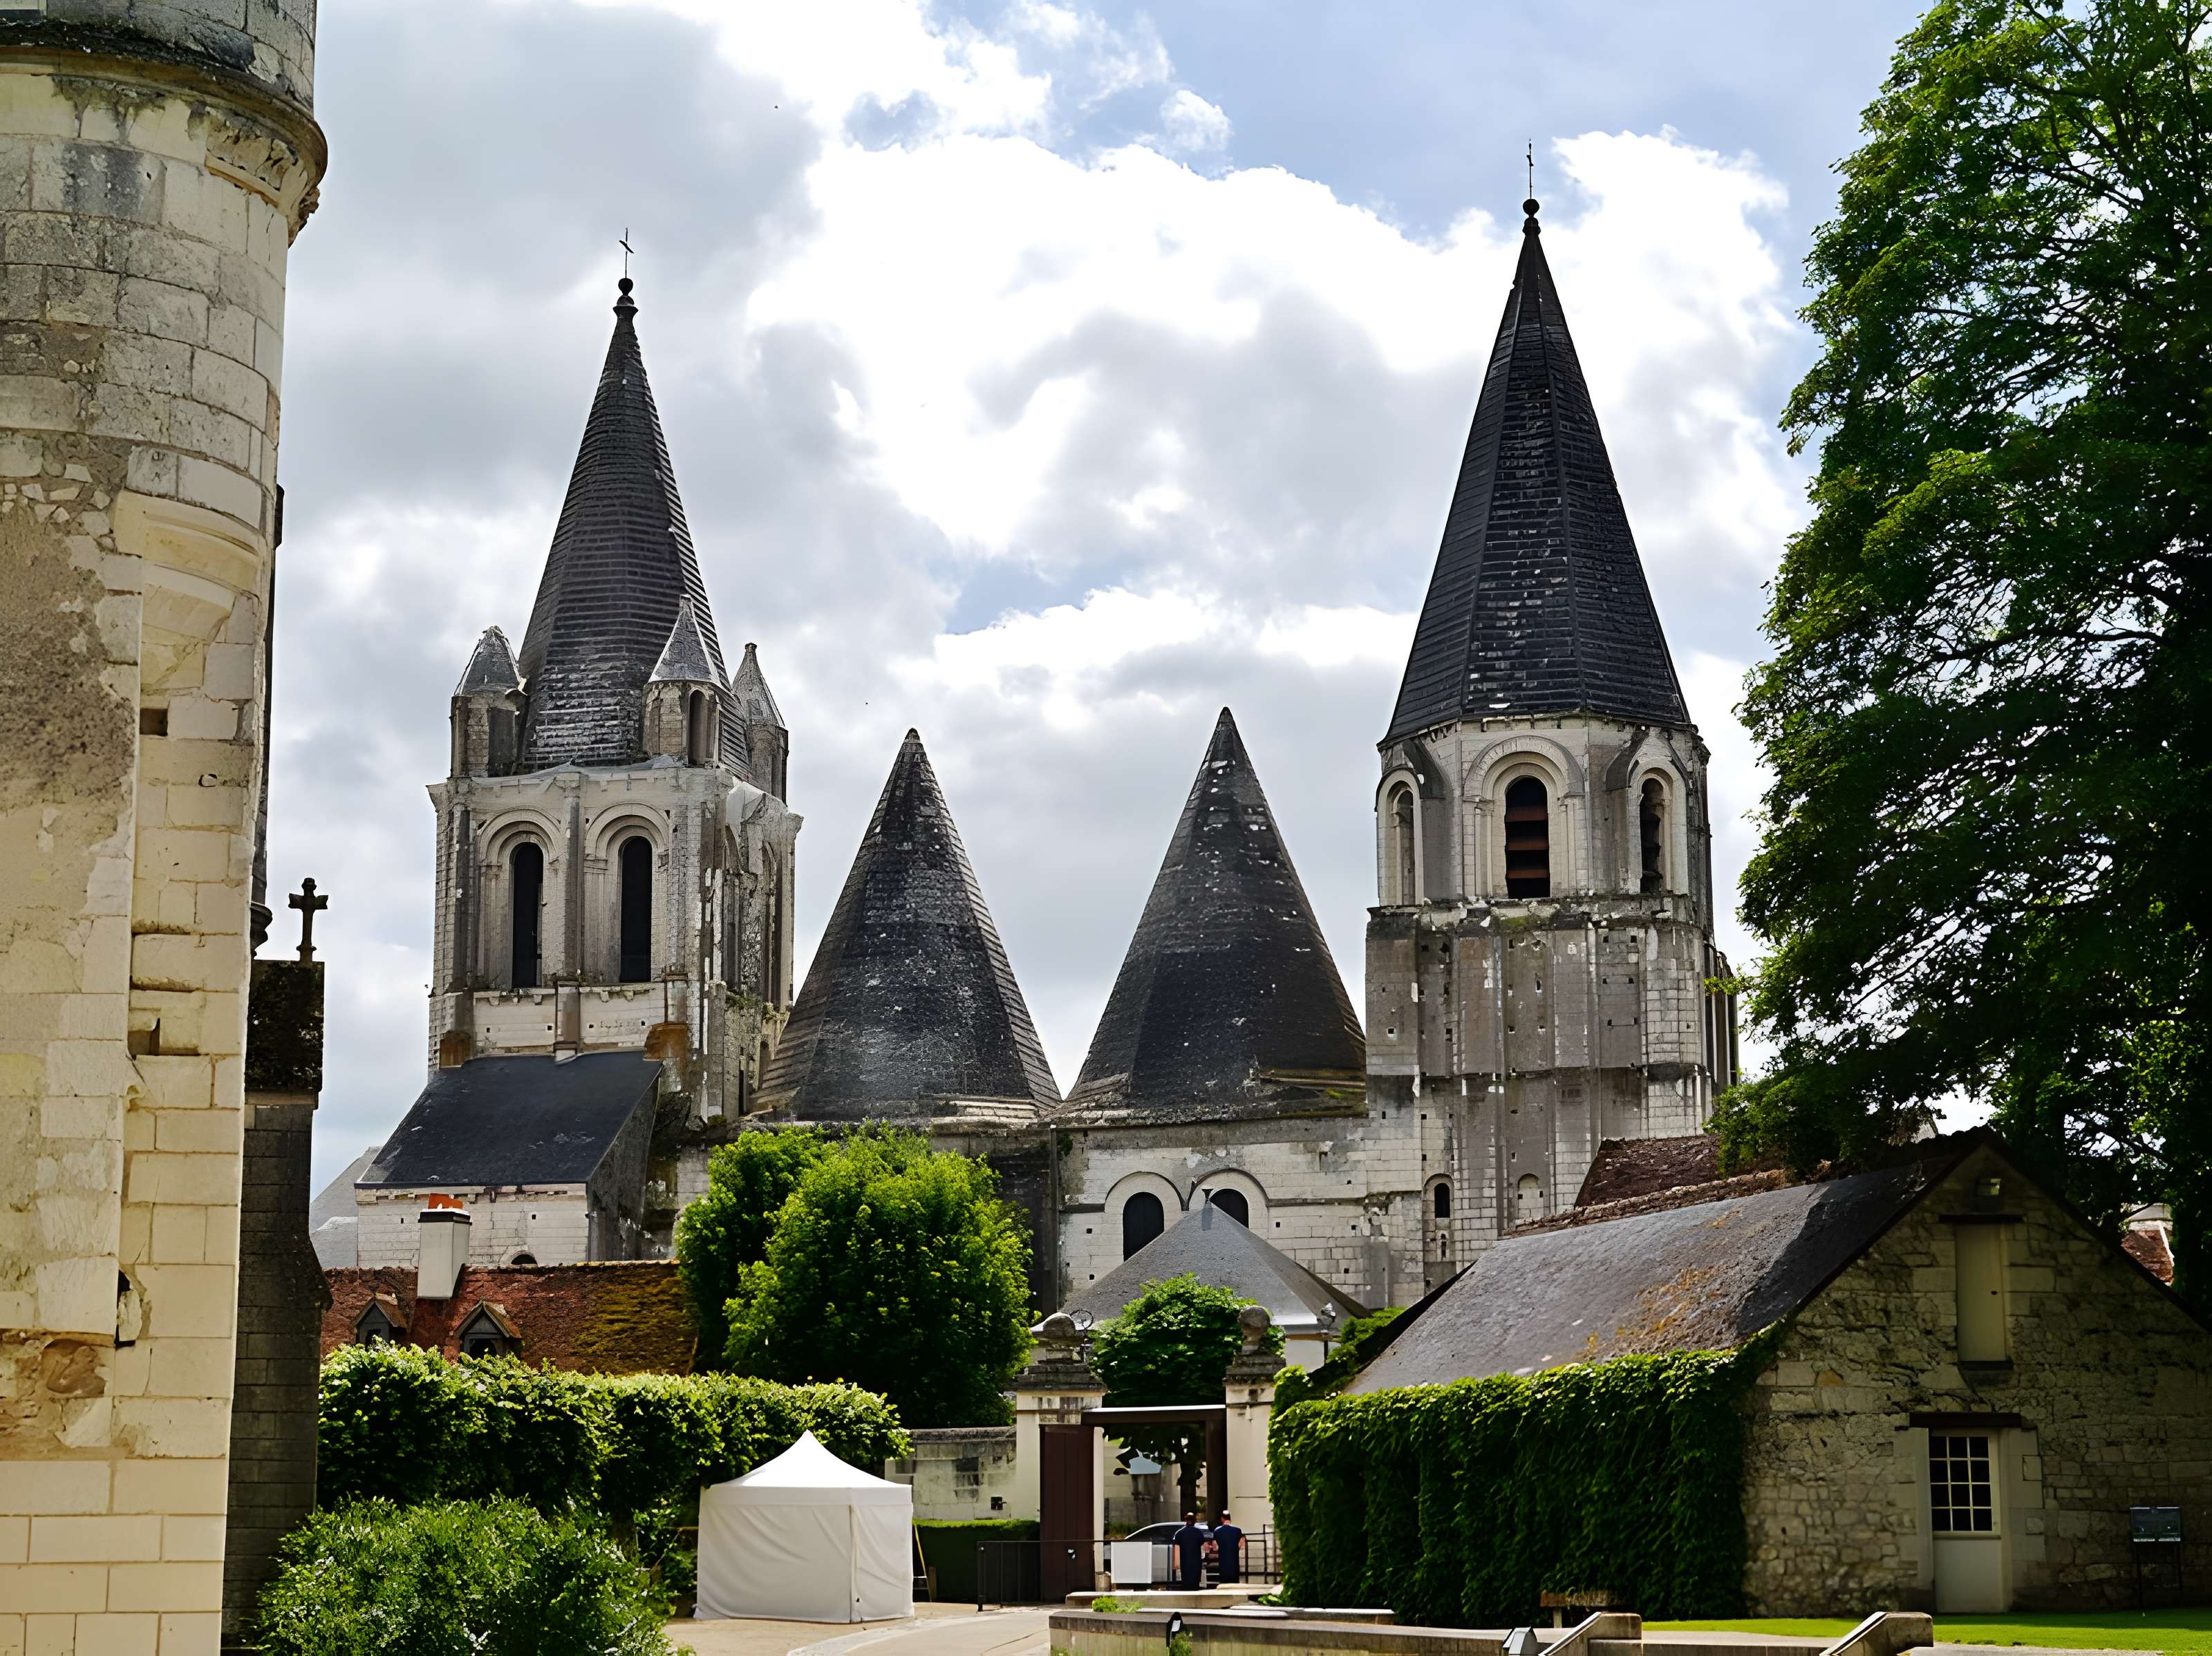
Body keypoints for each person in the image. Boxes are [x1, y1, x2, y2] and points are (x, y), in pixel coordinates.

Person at [1171, 1510, 1210, 1589]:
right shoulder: (1198, 1532)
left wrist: (1175, 1565)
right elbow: (1203, 1546)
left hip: (1185, 1562)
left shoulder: (1179, 1533)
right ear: (1195, 1521)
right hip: (1196, 1562)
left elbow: (1176, 1548)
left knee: (1186, 1583)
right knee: (1195, 1584)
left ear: (1186, 1520)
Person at [1212, 1510, 1244, 1585]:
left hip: (1223, 1561)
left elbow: (1215, 1547)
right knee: (1235, 1582)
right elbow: (1242, 1543)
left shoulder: (1217, 1531)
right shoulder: (1237, 1530)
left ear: (1222, 1519)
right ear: (1230, 1519)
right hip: (1234, 1560)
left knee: (1224, 1582)